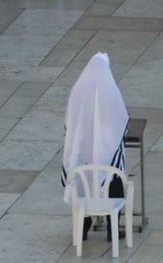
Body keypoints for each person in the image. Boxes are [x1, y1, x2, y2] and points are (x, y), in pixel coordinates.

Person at [61, 52, 128, 241]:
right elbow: (121, 118)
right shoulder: (110, 89)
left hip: (81, 149)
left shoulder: (78, 89)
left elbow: (69, 119)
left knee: (81, 180)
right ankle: (112, 229)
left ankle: (82, 227)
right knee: (111, 177)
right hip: (106, 149)